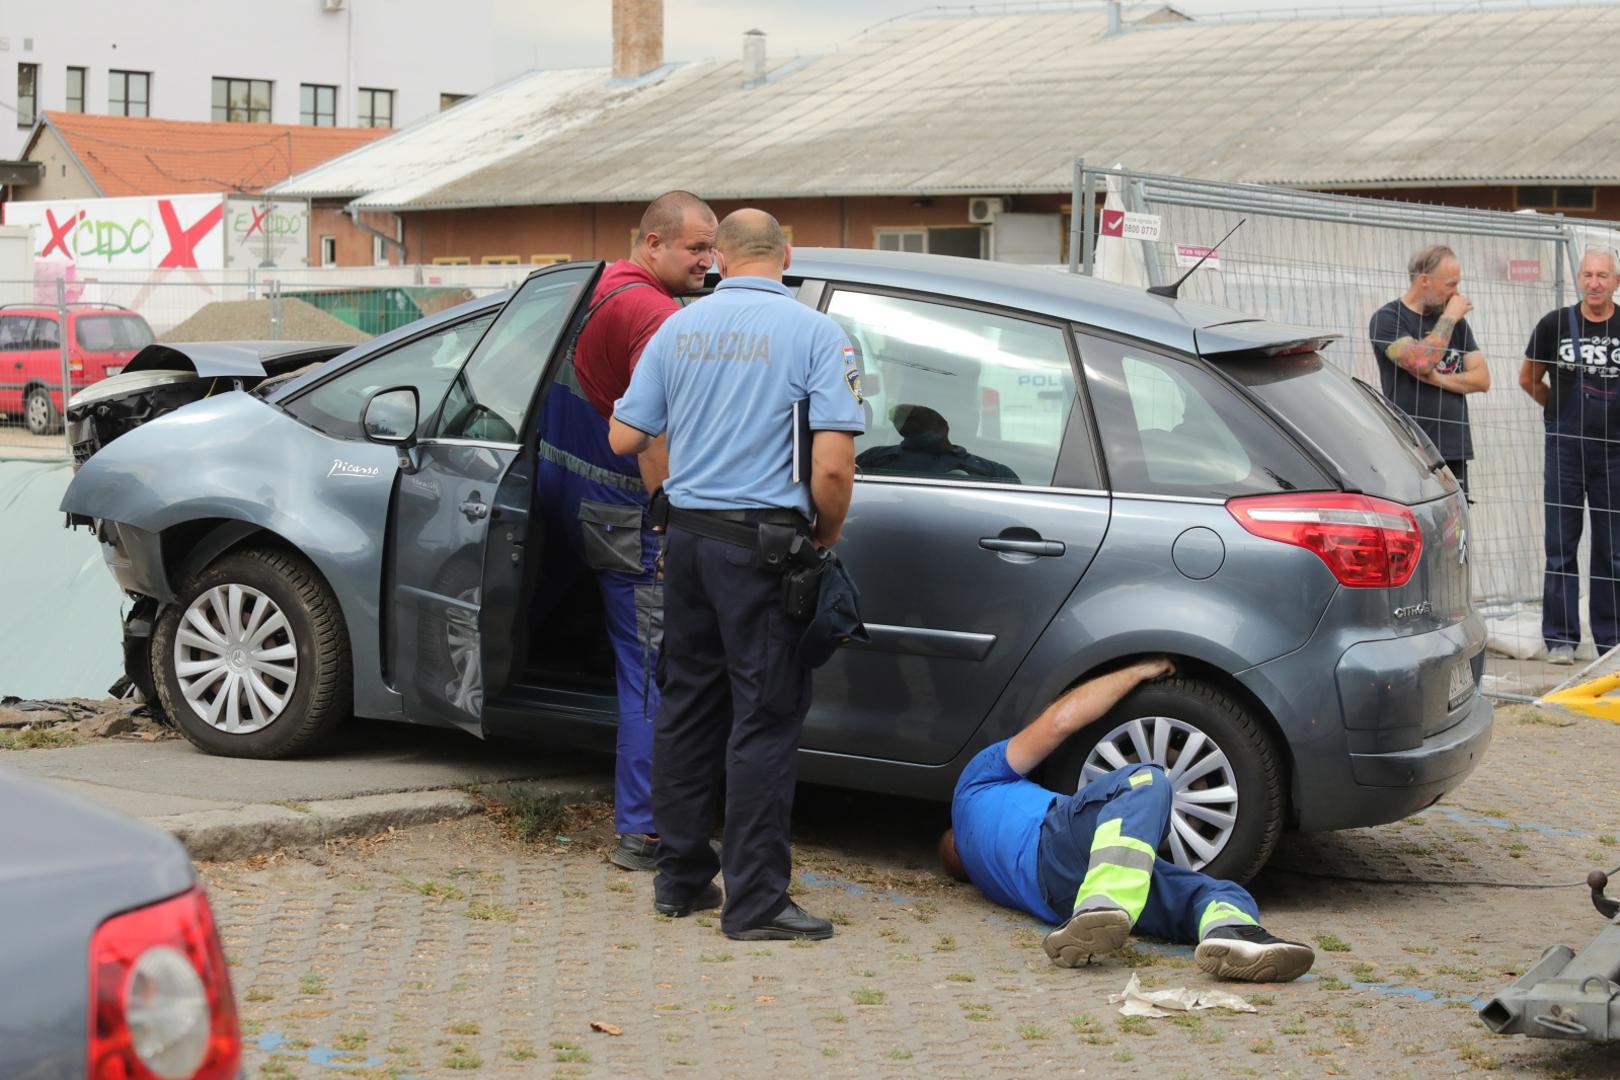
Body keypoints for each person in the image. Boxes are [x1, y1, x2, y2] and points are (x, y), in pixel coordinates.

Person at [608, 208, 866, 941]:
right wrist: (827, 534)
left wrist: (677, 459)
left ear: (718, 258)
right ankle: (755, 904)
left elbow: (626, 433)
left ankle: (680, 879)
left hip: (686, 541)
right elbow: (834, 466)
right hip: (765, 550)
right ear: (787, 253)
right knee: (765, 718)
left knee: (687, 707)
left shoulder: (674, 331)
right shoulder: (818, 335)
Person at [535, 191, 716, 871]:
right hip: (621, 509)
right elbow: (651, 432)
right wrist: (669, 523)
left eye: (713, 246)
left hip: (564, 486)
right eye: (696, 247)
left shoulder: (600, 285)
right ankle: (644, 831)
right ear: (653, 244)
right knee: (651, 670)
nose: (709, 259)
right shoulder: (653, 311)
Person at [939, 658, 1316, 982]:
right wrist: (1138, 670)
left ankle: (1235, 934)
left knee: (1220, 892)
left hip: (1061, 901)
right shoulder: (973, 783)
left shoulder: (988, 873)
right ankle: (1105, 902)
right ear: (954, 838)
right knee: (1145, 780)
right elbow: (1060, 720)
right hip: (1058, 849)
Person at [1520, 248, 1620, 665]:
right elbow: (1529, 379)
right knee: (1560, 544)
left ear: (1615, 281)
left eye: (1602, 275)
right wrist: (1557, 412)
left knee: (1612, 549)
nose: (1593, 282)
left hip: (1615, 454)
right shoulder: (1555, 324)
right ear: (1579, 278)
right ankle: (1560, 639)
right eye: (1587, 274)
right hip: (1564, 448)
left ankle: (1611, 641)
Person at [1369, 244, 1490, 494]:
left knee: (1458, 529)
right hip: (1412, 449)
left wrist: (1436, 380)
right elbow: (1421, 361)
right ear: (1424, 280)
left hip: (1454, 449)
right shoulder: (1389, 319)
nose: (1456, 293)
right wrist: (1449, 319)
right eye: (1450, 285)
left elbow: (1482, 379)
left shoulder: (1456, 323)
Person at [856, 403, 1019, 482]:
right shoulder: (873, 460)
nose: (915, 425)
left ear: (944, 426)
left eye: (921, 421)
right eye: (908, 421)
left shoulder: (994, 473)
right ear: (901, 429)